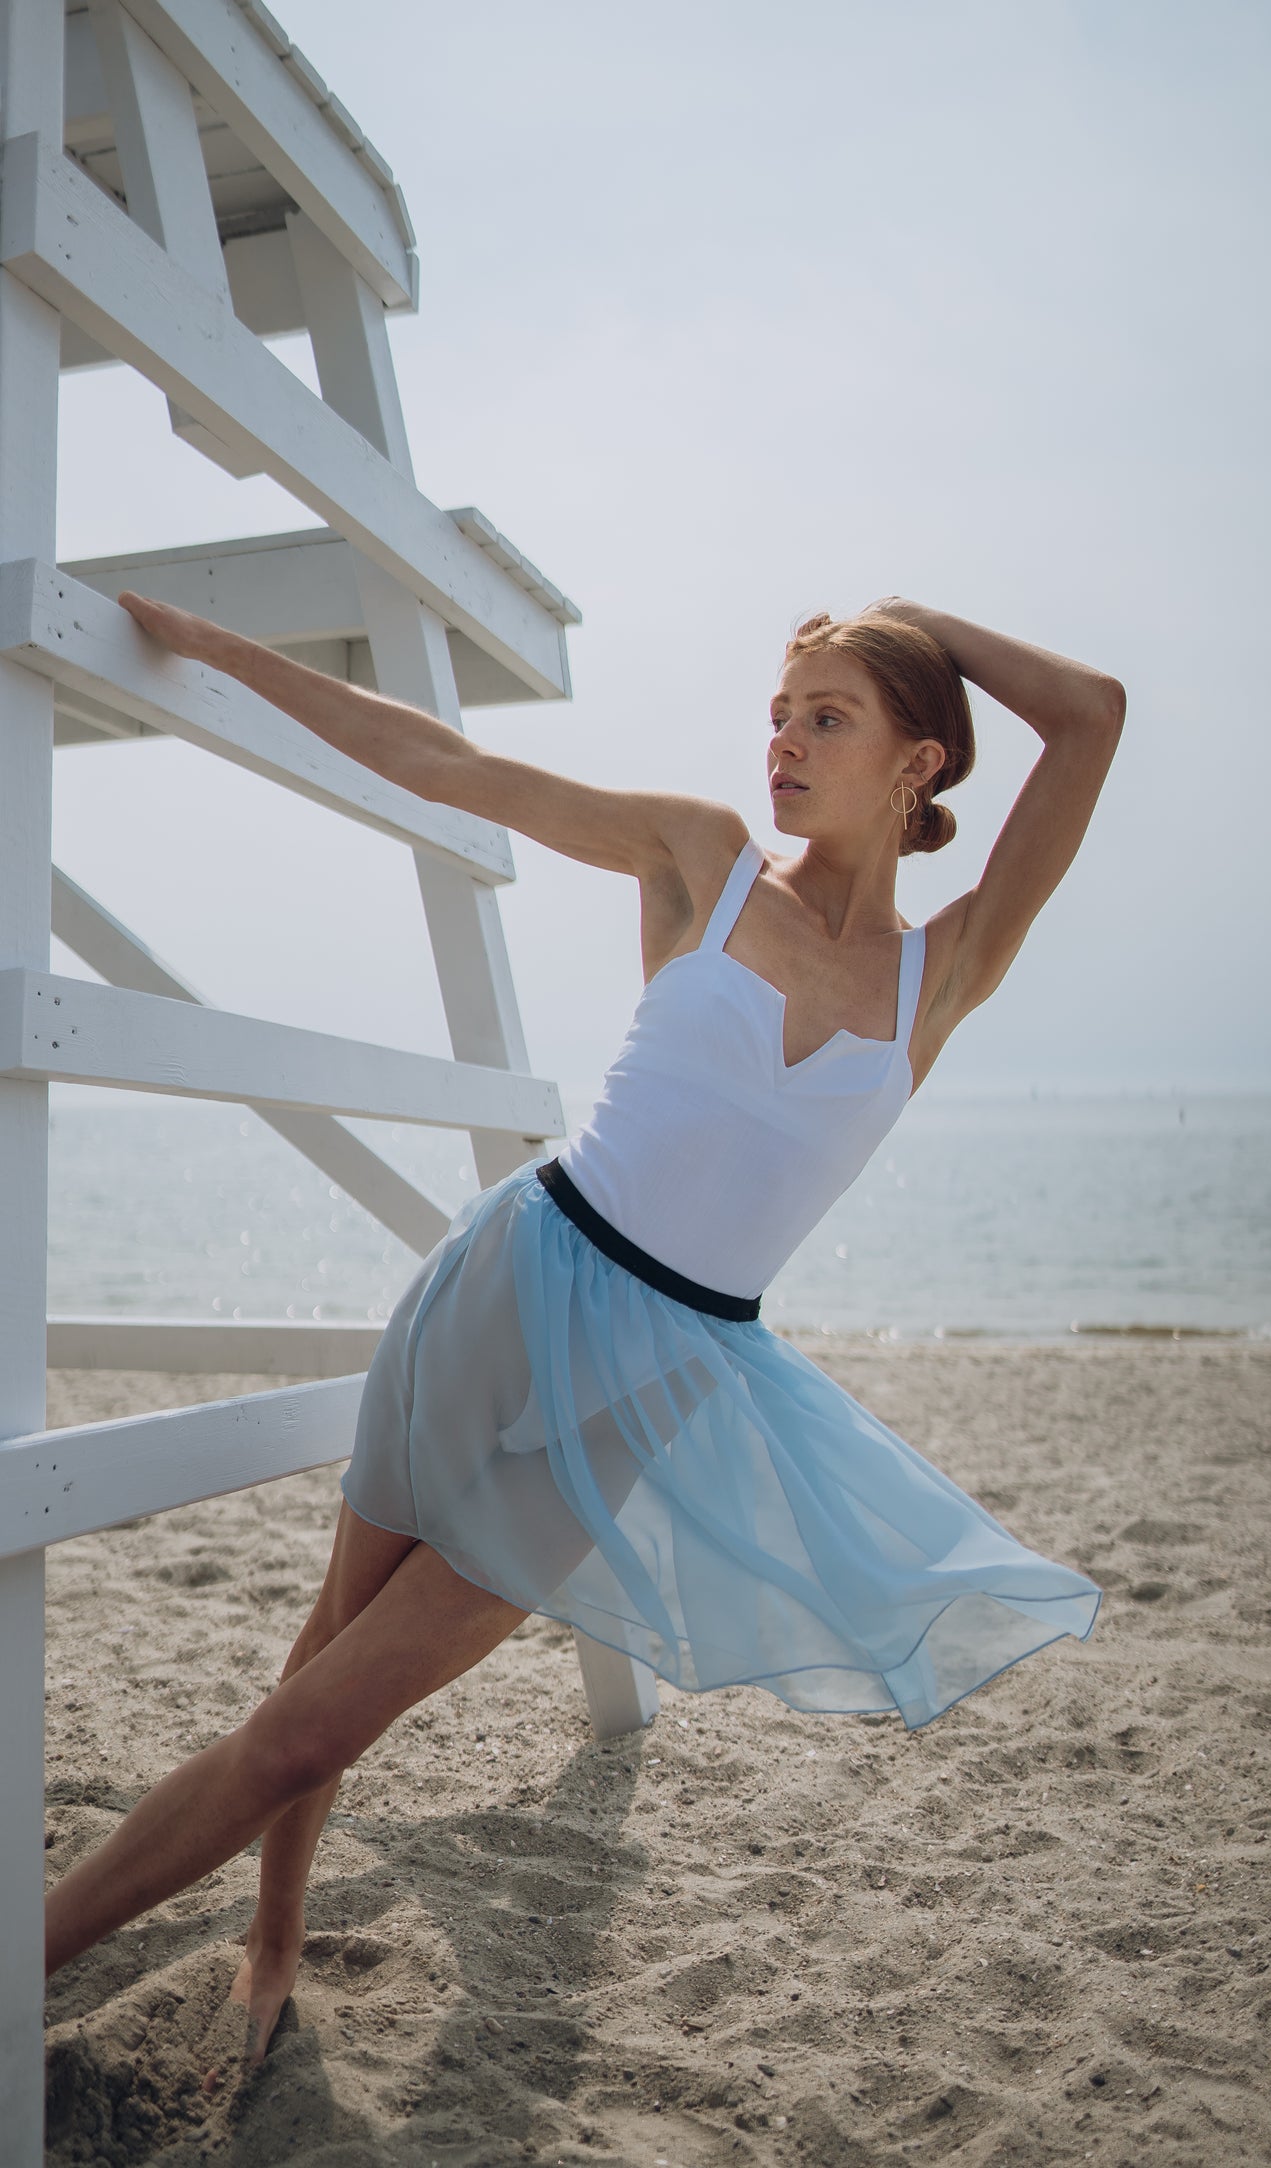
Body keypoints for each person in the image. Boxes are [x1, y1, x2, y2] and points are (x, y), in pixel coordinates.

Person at [45, 589, 1125, 2071]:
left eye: (828, 716)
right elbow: (440, 766)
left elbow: (1091, 717)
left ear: (918, 761)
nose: (785, 742)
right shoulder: (703, 862)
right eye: (778, 712)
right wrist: (228, 645)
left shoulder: (947, 972)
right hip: (514, 1279)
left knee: (317, 1726)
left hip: (661, 1376)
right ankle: (261, 1944)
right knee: (317, 1658)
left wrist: (913, 615)